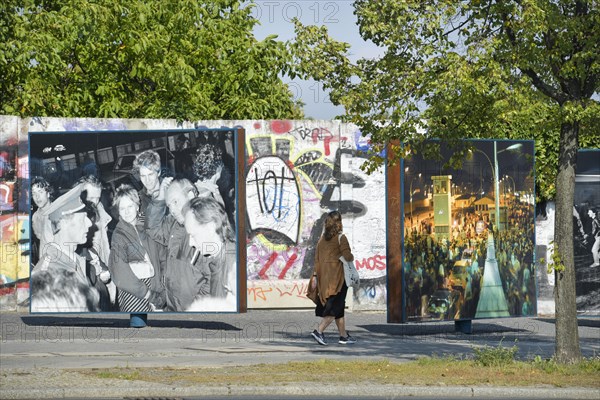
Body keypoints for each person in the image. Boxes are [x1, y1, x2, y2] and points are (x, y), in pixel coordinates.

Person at [146, 177, 212, 311]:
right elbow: (152, 228)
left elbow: (214, 283)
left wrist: (191, 310)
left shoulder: (208, 228)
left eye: (175, 202)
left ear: (191, 195)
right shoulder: (175, 225)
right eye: (169, 205)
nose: (172, 210)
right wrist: (159, 199)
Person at [31, 185, 100, 312]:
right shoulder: (48, 274)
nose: (90, 223)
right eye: (83, 218)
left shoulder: (73, 259)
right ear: (63, 223)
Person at [108, 184, 164, 312]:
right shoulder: (119, 235)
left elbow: (160, 256)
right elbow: (120, 272)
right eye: (122, 208)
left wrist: (160, 290)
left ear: (137, 206)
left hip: (156, 287)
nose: (127, 212)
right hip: (133, 293)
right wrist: (149, 295)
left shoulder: (146, 223)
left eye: (130, 206)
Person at [182, 196, 237, 310]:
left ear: (211, 227)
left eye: (193, 235)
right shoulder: (217, 258)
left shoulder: (233, 264)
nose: (190, 243)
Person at [310, 211, 356, 345]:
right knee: (334, 308)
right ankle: (318, 331)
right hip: (338, 279)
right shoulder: (341, 238)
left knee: (339, 308)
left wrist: (314, 276)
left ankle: (343, 336)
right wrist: (350, 256)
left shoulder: (322, 239)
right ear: (339, 222)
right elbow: (347, 257)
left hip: (325, 279)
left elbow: (317, 259)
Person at [75, 175, 116, 309]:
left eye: (97, 198)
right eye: (91, 198)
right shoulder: (74, 218)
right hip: (89, 275)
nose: (95, 202)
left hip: (105, 271)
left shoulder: (101, 211)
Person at [31, 177, 54, 258]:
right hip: (44, 261)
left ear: (48, 193)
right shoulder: (35, 217)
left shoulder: (57, 211)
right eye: (34, 193)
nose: (37, 197)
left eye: (40, 192)